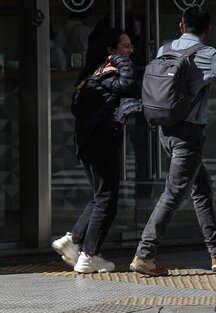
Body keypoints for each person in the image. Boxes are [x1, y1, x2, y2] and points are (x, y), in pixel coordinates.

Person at [130, 5, 216, 276]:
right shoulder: (207, 54)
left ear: (181, 26)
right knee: (175, 193)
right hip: (188, 136)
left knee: (202, 187)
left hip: (165, 129)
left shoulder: (164, 50)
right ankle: (144, 254)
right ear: (207, 30)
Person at [52, 28, 139, 273]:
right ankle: (89, 255)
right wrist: (121, 61)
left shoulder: (92, 74)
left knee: (99, 195)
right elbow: (129, 84)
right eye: (125, 46)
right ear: (110, 50)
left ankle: (73, 240)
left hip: (88, 141)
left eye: (130, 46)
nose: (130, 51)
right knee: (106, 199)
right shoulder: (111, 73)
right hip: (102, 141)